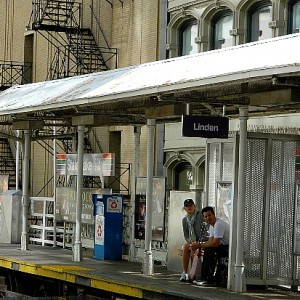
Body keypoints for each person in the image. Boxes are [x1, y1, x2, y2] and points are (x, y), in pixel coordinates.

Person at [191, 206, 230, 286]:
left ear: (214, 215)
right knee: (208, 249)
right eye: (206, 216)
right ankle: (206, 277)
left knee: (210, 251)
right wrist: (201, 246)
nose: (208, 218)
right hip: (223, 247)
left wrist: (199, 245)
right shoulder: (212, 226)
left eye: (209, 215)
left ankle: (207, 278)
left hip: (229, 248)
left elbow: (215, 243)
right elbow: (210, 241)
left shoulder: (218, 224)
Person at [179, 199, 207, 282]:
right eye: (187, 206)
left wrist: (198, 243)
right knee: (187, 247)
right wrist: (190, 241)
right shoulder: (185, 220)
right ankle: (185, 272)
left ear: (194, 206)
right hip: (193, 241)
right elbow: (186, 235)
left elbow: (206, 231)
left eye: (191, 205)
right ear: (184, 208)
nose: (189, 207)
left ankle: (194, 274)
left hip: (204, 241)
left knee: (193, 249)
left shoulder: (200, 216)